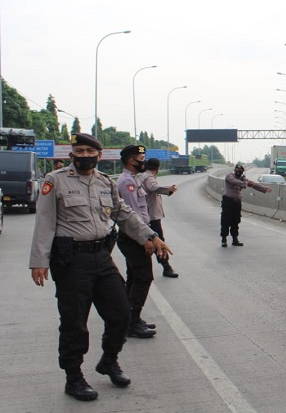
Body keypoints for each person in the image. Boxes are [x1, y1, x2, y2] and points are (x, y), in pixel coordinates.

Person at [29, 133, 173, 402]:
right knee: (74, 323)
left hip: (102, 257)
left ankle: (109, 360)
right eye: (79, 151)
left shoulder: (105, 182)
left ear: (98, 154)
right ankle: (74, 377)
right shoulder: (55, 181)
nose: (84, 155)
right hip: (71, 261)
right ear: (72, 154)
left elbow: (123, 214)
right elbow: (45, 221)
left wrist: (150, 236)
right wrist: (39, 261)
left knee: (121, 314)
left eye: (89, 151)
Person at [116, 145, 161, 339]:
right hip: (134, 236)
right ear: (131, 161)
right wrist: (146, 239)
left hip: (136, 235)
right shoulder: (127, 182)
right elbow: (133, 214)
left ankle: (129, 319)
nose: (144, 161)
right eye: (141, 158)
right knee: (143, 277)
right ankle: (131, 322)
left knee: (134, 277)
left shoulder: (133, 179)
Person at [138, 158, 179, 278]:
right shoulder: (149, 177)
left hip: (147, 215)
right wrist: (168, 189)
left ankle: (164, 267)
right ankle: (166, 267)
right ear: (157, 168)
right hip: (151, 217)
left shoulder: (142, 176)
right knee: (159, 242)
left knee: (148, 242)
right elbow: (153, 187)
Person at [220, 163, 272, 247]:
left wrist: (264, 189)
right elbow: (235, 182)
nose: (238, 171)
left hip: (237, 202)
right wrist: (244, 182)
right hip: (228, 201)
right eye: (237, 170)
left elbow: (254, 184)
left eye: (240, 171)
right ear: (234, 170)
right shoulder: (229, 176)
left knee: (235, 221)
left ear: (242, 172)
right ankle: (224, 239)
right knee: (225, 220)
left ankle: (235, 239)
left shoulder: (243, 179)